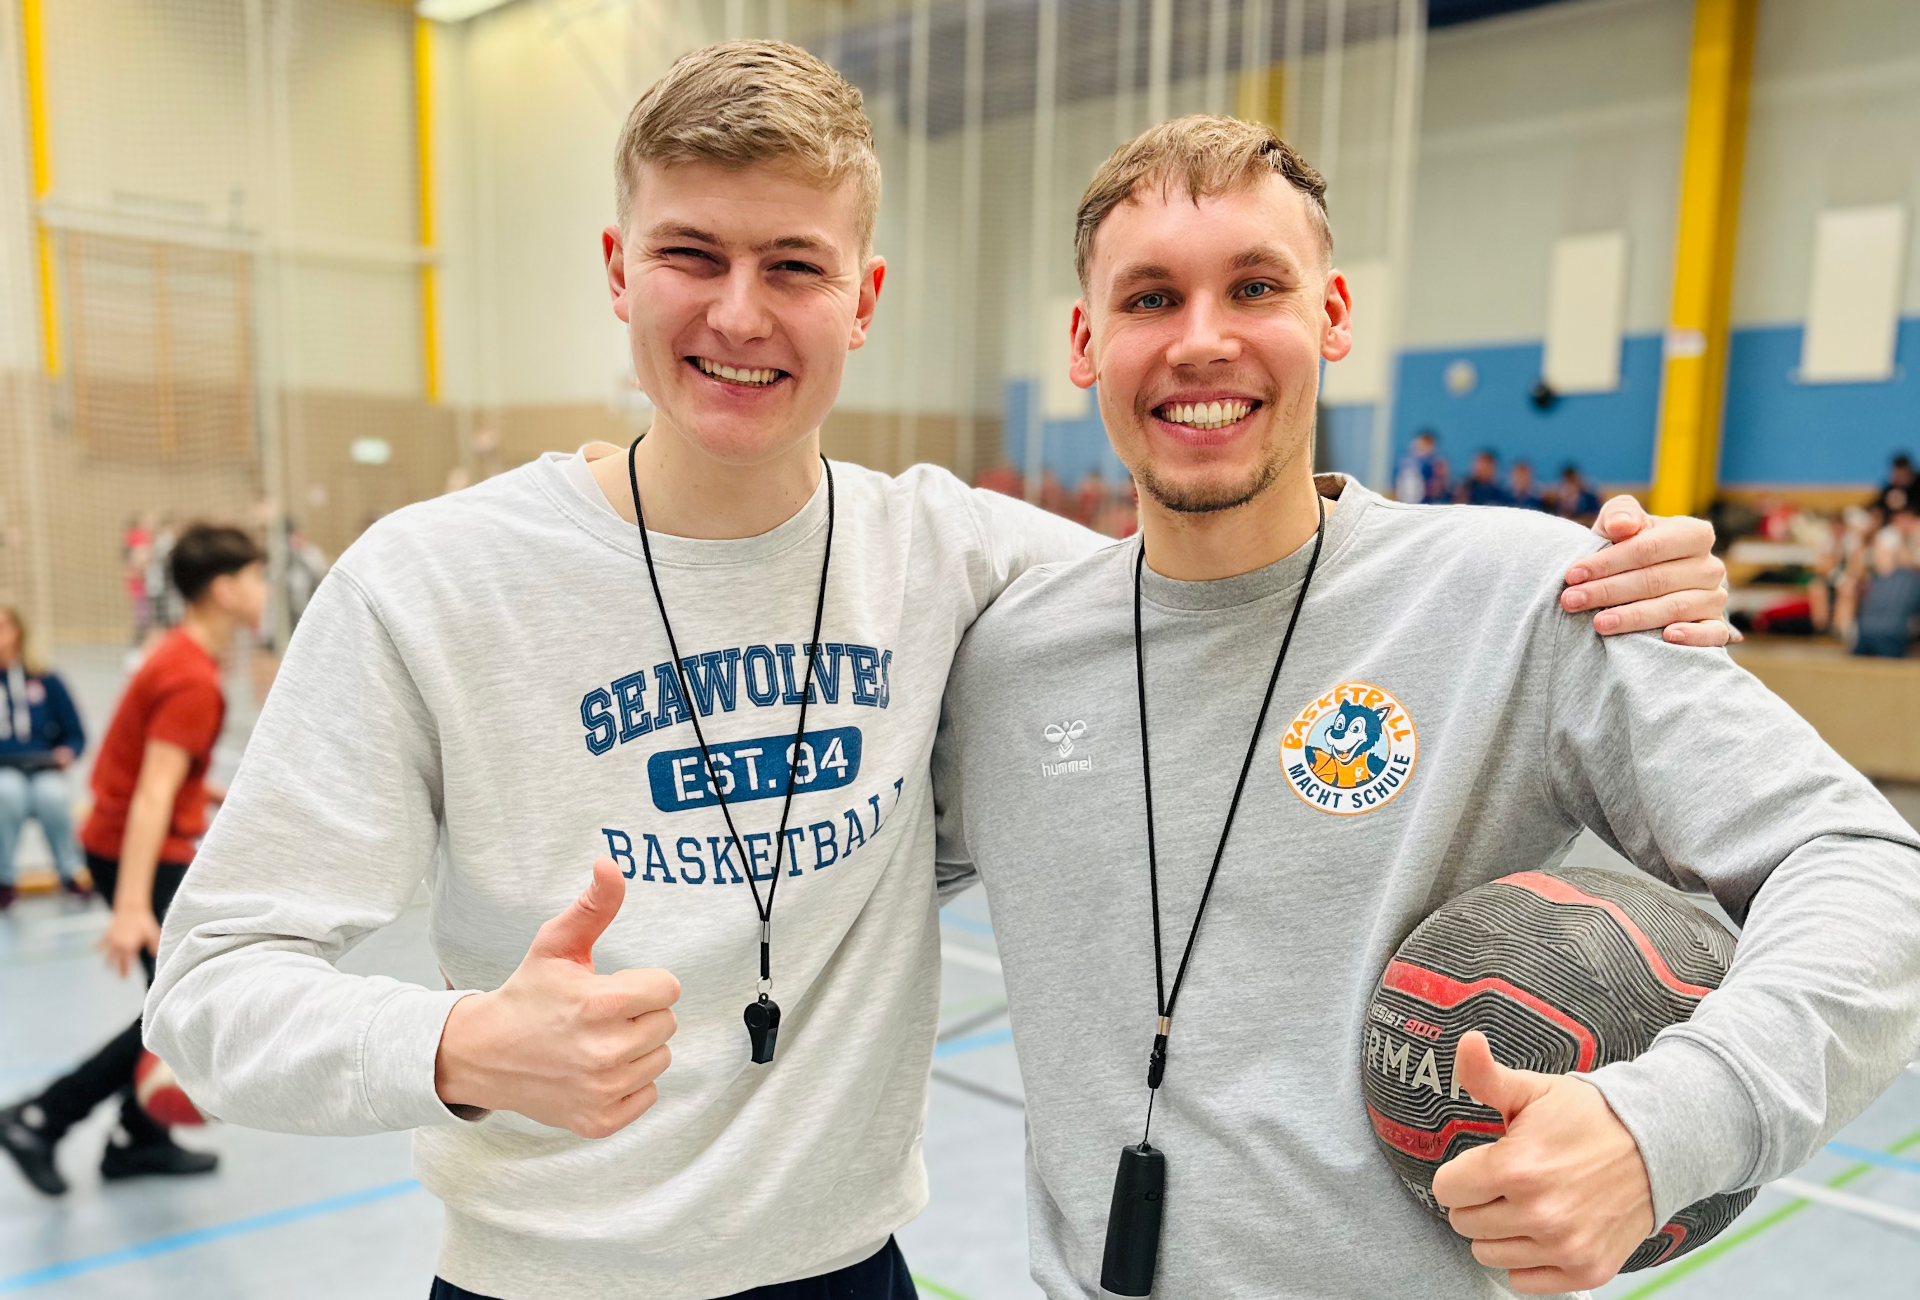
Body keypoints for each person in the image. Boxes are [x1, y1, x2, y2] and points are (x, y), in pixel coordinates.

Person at [140, 46, 1731, 1300]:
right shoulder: (430, 583)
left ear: (866, 299)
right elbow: (208, 991)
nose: (741, 313)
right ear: (620, 271)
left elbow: (1251, 588)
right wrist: (454, 1049)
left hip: (850, 1278)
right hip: (542, 1284)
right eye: (692, 255)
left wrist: (1624, 580)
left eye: (796, 265)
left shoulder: (973, 565)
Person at [931, 114, 1920, 1299]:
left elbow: (1870, 869)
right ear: (1086, 341)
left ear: (1333, 314)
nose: (1202, 342)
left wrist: (1670, 1124)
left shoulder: (1524, 593)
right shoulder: (1007, 662)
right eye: (1150, 299)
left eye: (1255, 286)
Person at [0, 525, 264, 1197]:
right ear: (224, 588)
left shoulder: (180, 656)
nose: (265, 590)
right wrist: (128, 909)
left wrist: (216, 794)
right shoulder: (189, 677)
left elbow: (163, 775)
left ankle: (134, 1138)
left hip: (123, 841)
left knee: (174, 1002)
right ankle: (41, 1117)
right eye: (257, 577)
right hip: (134, 851)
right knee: (180, 1006)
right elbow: (150, 792)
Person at [0, 604, 88, 907]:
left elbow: (75, 733)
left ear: (18, 632)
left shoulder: (46, 679)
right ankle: (5, 878)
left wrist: (67, 753)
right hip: (4, 769)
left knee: (52, 796)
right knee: (7, 794)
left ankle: (70, 872)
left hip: (44, 767)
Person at [1393, 429, 1441, 504]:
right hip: (1406, 501)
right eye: (1427, 445)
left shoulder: (1428, 464)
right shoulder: (1406, 461)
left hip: (1419, 502)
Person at [1876, 451, 1914, 518]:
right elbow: (1877, 507)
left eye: (1903, 474)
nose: (1900, 477)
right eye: (1897, 474)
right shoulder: (1890, 488)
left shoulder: (1917, 487)